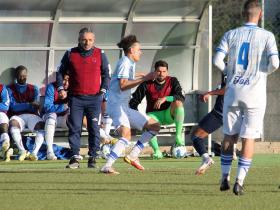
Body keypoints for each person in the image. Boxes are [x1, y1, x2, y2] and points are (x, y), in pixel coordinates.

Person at [213, 0, 279, 195]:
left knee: (229, 135)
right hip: (255, 94)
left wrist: (230, 73)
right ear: (259, 15)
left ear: (243, 15)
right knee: (248, 137)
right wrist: (263, 72)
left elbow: (217, 61)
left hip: (233, 90)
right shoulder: (267, 35)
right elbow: (275, 62)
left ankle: (224, 177)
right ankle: (239, 181)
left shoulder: (230, 34)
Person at [100, 35, 160, 175]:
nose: (141, 52)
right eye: (139, 49)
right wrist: (145, 78)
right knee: (126, 135)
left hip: (124, 106)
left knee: (154, 126)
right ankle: (107, 166)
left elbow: (126, 77)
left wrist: (145, 75)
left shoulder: (129, 63)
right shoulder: (125, 62)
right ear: (131, 50)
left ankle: (133, 156)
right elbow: (123, 85)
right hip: (116, 106)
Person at [56, 27, 110, 169]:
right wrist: (61, 88)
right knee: (74, 128)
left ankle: (93, 157)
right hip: (76, 98)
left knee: (94, 128)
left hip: (94, 99)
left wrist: (103, 90)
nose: (87, 42)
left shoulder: (100, 54)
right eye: (84, 40)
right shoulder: (70, 54)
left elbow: (106, 74)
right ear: (79, 40)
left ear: (94, 40)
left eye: (90, 40)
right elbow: (60, 72)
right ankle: (74, 158)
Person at [129, 60, 185, 159]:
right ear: (154, 71)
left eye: (164, 71)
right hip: (153, 115)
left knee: (178, 103)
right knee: (148, 120)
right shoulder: (146, 84)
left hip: (169, 114)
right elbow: (134, 102)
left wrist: (165, 98)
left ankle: (178, 136)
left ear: (167, 72)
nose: (161, 74)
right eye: (159, 71)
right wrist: (136, 117)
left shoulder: (173, 81)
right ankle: (157, 151)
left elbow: (181, 97)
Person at [8, 65, 45, 161]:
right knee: (13, 124)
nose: (22, 78)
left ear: (27, 75)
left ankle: (34, 153)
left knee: (41, 126)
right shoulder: (10, 88)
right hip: (17, 116)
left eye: (24, 75)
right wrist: (29, 104)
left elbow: (35, 106)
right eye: (20, 75)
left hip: (32, 115)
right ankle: (22, 151)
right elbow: (13, 107)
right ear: (16, 76)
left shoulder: (34, 88)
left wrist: (27, 105)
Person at [192, 74, 226, 175]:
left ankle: (207, 159)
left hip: (220, 113)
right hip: (223, 112)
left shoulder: (233, 68)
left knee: (196, 136)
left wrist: (210, 93)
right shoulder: (231, 68)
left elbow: (228, 89)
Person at [40, 73, 70, 160]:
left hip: (63, 118)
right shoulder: (51, 87)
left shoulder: (72, 88)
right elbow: (47, 107)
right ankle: (50, 151)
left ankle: (75, 151)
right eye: (64, 79)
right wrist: (64, 106)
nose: (66, 83)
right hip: (49, 117)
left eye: (68, 80)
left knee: (75, 117)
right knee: (51, 117)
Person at [0, 83, 11, 161]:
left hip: (0, 112)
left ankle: (5, 141)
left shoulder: (2, 88)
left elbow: (5, 106)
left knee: (3, 118)